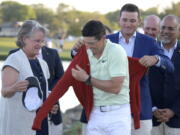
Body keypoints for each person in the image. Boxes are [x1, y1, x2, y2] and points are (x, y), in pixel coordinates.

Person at [106, 3, 174, 135]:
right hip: (112, 109)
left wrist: (156, 59)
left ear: (139, 22)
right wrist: (75, 51)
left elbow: (169, 66)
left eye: (132, 20)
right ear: (119, 20)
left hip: (141, 110)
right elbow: (88, 59)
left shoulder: (149, 42)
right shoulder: (107, 41)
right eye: (125, 20)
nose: (128, 24)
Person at [0, 20, 60, 135]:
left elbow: (42, 93)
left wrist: (50, 105)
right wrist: (14, 88)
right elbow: (4, 92)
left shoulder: (43, 64)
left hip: (41, 123)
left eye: (42, 41)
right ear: (23, 39)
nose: (40, 44)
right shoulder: (14, 60)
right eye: (37, 41)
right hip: (20, 125)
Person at [72, 20, 131, 135]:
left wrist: (87, 79)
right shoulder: (88, 50)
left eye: (92, 43)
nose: (88, 47)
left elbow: (115, 88)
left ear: (103, 38)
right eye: (86, 43)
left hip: (117, 113)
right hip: (95, 113)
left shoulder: (116, 51)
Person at [150, 15, 180, 135]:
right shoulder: (150, 49)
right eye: (163, 27)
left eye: (171, 28)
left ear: (178, 30)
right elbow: (143, 83)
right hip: (152, 119)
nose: (166, 31)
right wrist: (153, 108)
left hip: (177, 120)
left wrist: (174, 110)